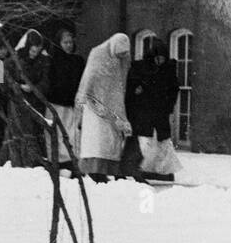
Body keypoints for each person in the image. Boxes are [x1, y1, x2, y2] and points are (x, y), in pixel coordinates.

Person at [75, 34, 132, 182]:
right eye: (120, 53)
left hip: (113, 106)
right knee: (97, 141)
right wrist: (82, 105)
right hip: (94, 105)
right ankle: (95, 172)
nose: (121, 57)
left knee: (111, 141)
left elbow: (120, 85)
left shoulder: (121, 60)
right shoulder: (97, 55)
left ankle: (108, 170)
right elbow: (88, 81)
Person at [127, 43, 183, 179]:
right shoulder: (141, 68)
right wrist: (137, 92)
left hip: (160, 112)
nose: (160, 61)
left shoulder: (168, 70)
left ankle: (163, 171)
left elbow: (173, 90)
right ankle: (145, 168)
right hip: (145, 111)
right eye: (157, 58)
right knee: (146, 141)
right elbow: (132, 86)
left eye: (162, 59)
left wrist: (168, 107)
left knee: (162, 142)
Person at [2, 29, 49, 168]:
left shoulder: (44, 61)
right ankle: (21, 163)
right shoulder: (11, 61)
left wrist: (34, 88)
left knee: (34, 133)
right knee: (20, 133)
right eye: (32, 51)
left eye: (37, 52)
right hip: (17, 103)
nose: (34, 55)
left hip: (36, 103)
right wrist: (18, 87)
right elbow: (3, 83)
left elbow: (46, 82)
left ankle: (34, 162)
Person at [45, 27, 86, 168]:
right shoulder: (52, 60)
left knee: (72, 134)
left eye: (70, 42)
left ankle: (71, 162)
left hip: (72, 104)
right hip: (56, 103)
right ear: (59, 43)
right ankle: (58, 163)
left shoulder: (78, 60)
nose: (68, 45)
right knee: (57, 133)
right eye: (65, 42)